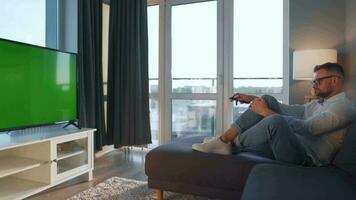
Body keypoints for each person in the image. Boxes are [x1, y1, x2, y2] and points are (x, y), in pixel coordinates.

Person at [192, 62, 356, 166]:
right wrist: (253, 99)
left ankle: (227, 141)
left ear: (335, 80)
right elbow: (288, 109)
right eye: (314, 81)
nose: (315, 85)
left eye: (318, 81)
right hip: (292, 145)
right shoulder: (319, 103)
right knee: (268, 99)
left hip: (306, 158)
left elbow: (309, 129)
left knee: (275, 121)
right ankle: (224, 141)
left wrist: (266, 112)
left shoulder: (344, 107)